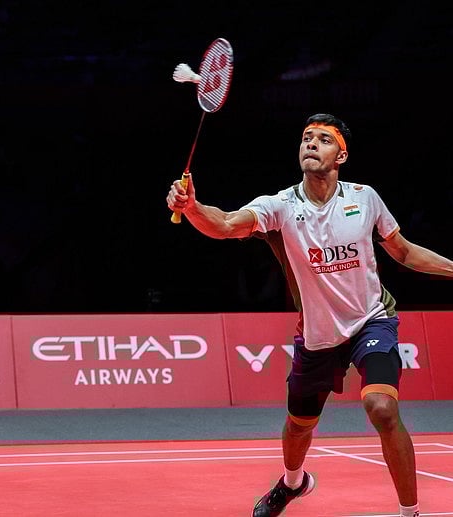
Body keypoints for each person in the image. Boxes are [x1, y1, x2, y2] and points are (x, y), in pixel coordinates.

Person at [166, 114, 452, 517]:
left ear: (342, 154)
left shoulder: (364, 198)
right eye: (306, 138)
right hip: (318, 335)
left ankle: (411, 513)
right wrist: (193, 207)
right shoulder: (280, 206)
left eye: (323, 139)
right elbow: (227, 224)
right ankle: (292, 483)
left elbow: (403, 251)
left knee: (383, 409)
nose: (311, 144)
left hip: (372, 319)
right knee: (299, 425)